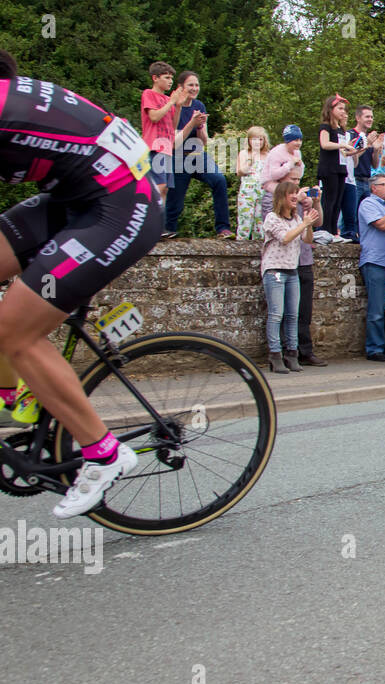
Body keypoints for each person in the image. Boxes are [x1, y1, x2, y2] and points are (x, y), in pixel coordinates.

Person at [0, 49, 163, 518]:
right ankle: (17, 394)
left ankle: (104, 453)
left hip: (119, 206)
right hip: (77, 198)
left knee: (15, 329)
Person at [162, 70, 233, 239]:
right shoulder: (172, 107)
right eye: (190, 85)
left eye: (197, 85)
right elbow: (175, 139)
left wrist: (200, 127)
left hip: (197, 155)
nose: (194, 88)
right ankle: (167, 231)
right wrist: (192, 123)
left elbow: (204, 140)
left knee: (219, 180)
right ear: (181, 87)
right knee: (175, 200)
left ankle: (223, 228)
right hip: (178, 156)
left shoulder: (199, 106)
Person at [261, 180, 318, 373]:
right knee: (276, 315)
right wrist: (304, 223)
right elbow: (285, 238)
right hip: (275, 270)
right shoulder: (272, 218)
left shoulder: (296, 220)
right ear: (281, 197)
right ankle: (275, 355)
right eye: (290, 194)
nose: (295, 197)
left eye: (296, 193)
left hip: (292, 270)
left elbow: (307, 240)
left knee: (293, 315)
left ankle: (291, 354)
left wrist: (308, 225)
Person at [359, 174, 385, 361]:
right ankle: (374, 348)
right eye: (384, 185)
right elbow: (382, 225)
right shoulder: (368, 204)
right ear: (374, 188)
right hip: (374, 260)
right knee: (376, 308)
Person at [140, 60, 184, 207]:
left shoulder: (168, 99)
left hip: (167, 148)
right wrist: (171, 102)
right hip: (154, 146)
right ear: (155, 78)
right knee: (158, 187)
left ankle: (159, 226)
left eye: (172, 78)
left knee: (164, 188)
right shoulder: (149, 94)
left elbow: (173, 126)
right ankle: (150, 224)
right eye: (167, 77)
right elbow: (154, 117)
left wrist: (178, 106)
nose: (170, 81)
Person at [317, 94, 353, 243]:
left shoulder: (341, 129)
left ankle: (333, 231)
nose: (342, 111)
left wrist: (353, 150)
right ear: (331, 109)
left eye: (344, 109)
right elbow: (325, 144)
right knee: (329, 200)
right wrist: (342, 145)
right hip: (329, 168)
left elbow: (343, 151)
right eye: (339, 108)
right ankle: (324, 230)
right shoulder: (326, 126)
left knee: (338, 201)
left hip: (341, 167)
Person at [235, 126, 271, 241]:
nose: (257, 142)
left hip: (263, 193)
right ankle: (240, 249)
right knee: (245, 221)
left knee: (260, 225)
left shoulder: (268, 155)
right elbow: (240, 171)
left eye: (260, 139)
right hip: (247, 194)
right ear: (249, 140)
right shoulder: (244, 153)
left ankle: (258, 252)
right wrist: (252, 158)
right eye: (254, 139)